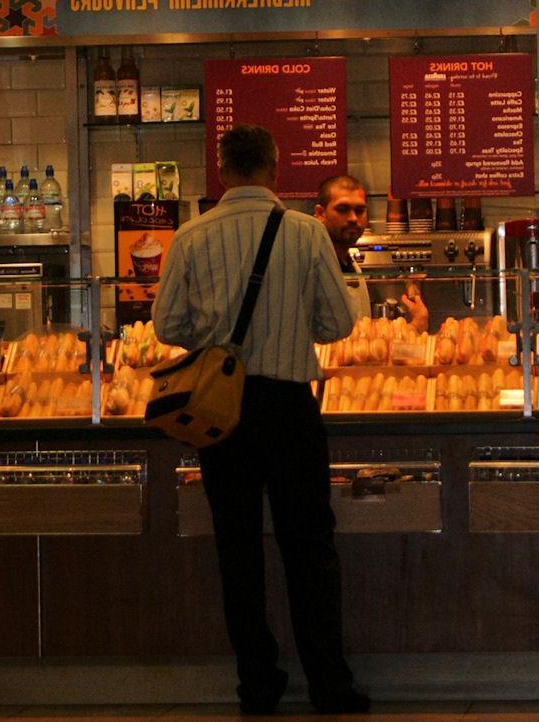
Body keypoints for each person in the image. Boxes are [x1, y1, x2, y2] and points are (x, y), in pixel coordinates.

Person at [153, 125, 369, 717]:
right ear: (275, 169)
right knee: (310, 546)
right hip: (289, 407)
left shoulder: (191, 235)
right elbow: (338, 324)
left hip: (220, 411)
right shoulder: (305, 233)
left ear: (222, 171)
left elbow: (168, 326)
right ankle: (329, 683)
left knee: (238, 548)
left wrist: (216, 335)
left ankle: (257, 682)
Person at [315, 173, 429, 332]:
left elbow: (358, 339)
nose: (353, 218)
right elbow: (332, 340)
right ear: (320, 214)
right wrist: (415, 327)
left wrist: (414, 325)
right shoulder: (313, 267)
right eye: (343, 209)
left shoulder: (351, 264)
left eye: (360, 210)